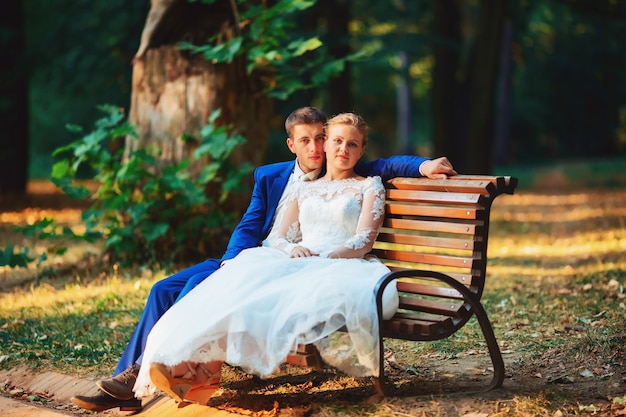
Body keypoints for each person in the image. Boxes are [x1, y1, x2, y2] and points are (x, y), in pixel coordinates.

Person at [70, 107, 456, 412]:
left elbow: (388, 165)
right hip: (255, 258)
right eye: (308, 140)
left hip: (305, 265)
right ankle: (131, 376)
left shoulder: (350, 166)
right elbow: (251, 224)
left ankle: (154, 381)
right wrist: (231, 263)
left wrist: (423, 165)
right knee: (161, 289)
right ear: (292, 144)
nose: (320, 148)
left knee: (193, 290)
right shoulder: (271, 176)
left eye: (323, 138)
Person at [134, 112, 403, 404]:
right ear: (324, 145)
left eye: (352, 145)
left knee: (261, 296)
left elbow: (363, 241)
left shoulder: (368, 185)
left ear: (361, 149)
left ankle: (195, 373)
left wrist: (324, 256)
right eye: (336, 141)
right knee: (235, 285)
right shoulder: (303, 187)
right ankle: (188, 366)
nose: (343, 149)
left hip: (341, 264)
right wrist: (291, 250)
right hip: (299, 259)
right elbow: (277, 236)